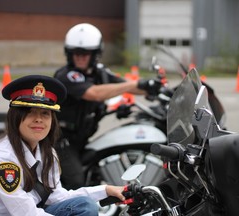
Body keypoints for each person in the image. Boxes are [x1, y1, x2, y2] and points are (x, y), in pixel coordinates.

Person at [54, 23, 163, 189]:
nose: (81, 57)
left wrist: (153, 87)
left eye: (86, 53)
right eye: (76, 52)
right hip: (61, 140)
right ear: (69, 53)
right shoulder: (67, 75)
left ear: (95, 54)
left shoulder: (100, 72)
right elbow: (94, 93)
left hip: (82, 138)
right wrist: (135, 84)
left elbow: (127, 84)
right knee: (76, 183)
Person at [0, 75, 125, 216]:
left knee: (85, 205)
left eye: (45, 113)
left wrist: (106, 190)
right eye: (30, 112)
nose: (39, 119)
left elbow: (57, 197)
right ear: (15, 117)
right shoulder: (4, 160)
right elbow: (27, 213)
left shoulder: (47, 153)